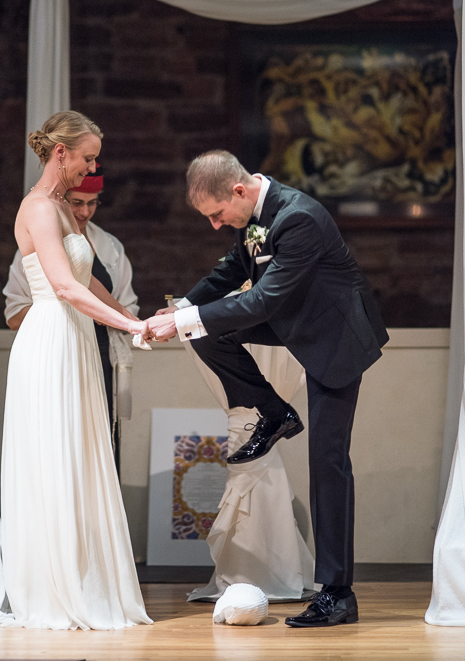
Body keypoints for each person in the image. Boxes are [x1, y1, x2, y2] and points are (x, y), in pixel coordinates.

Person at [147, 150, 388, 628]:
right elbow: (233, 269)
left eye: (217, 215)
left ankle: (338, 594)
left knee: (328, 463)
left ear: (238, 191)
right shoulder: (252, 215)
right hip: (294, 323)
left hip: (335, 338)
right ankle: (273, 412)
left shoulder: (301, 217)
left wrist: (183, 321)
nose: (217, 225)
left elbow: (263, 299)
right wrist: (182, 307)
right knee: (206, 332)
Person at [1, 110, 152, 630]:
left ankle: (86, 576)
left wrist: (133, 320)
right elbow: (64, 287)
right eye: (88, 156)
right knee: (54, 455)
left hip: (78, 341)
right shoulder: (39, 208)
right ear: (60, 153)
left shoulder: (65, 208)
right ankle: (53, 586)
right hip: (50, 339)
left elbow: (88, 283)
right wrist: (128, 329)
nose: (93, 165)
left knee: (84, 456)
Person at [3, 162, 137, 471]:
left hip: (102, 352)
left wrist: (134, 323)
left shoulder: (110, 246)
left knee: (100, 438)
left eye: (92, 203)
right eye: (77, 202)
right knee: (62, 438)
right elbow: (14, 314)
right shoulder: (38, 238)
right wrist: (79, 310)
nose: (85, 211)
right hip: (58, 341)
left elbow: (124, 304)